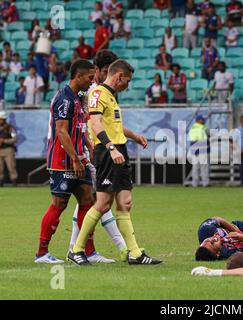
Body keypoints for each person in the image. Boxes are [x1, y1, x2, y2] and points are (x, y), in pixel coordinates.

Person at [68, 59, 162, 266]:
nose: (127, 85)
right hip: (107, 152)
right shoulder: (98, 93)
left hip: (119, 150)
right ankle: (76, 250)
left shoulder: (110, 96)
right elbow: (95, 123)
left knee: (125, 203)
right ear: (119, 76)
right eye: (127, 81)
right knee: (102, 204)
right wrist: (110, 147)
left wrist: (134, 136)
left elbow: (114, 126)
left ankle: (135, 253)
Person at [67, 49, 129, 264]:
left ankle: (76, 248)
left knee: (90, 199)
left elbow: (112, 123)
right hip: (93, 149)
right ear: (101, 70)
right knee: (98, 200)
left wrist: (133, 135)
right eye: (107, 71)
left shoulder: (104, 90)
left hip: (94, 148)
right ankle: (121, 247)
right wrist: (93, 146)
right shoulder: (93, 90)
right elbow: (89, 122)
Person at [34, 60, 96, 263]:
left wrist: (88, 148)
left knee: (88, 200)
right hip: (63, 160)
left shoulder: (78, 98)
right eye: (89, 77)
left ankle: (86, 250)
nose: (92, 81)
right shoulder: (65, 99)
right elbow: (61, 131)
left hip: (79, 158)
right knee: (59, 203)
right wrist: (75, 159)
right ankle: (42, 253)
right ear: (79, 76)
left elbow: (79, 128)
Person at [0, 111, 17, 187]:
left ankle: (14, 180)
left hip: (8, 150)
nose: (0, 121)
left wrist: (5, 141)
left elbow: (14, 139)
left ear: (5, 119)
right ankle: (0, 181)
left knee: (11, 166)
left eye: (1, 119)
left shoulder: (10, 128)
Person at [188, 115, 209, 187]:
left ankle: (194, 183)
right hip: (202, 149)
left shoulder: (192, 128)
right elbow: (209, 134)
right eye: (202, 120)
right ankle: (205, 183)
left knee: (195, 167)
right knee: (204, 167)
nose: (204, 121)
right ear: (198, 120)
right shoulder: (203, 127)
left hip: (194, 150)